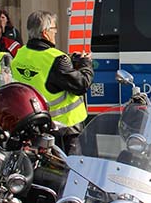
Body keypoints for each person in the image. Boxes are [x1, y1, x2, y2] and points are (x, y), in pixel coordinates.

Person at [11, 11, 92, 154]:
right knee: (71, 173)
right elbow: (81, 85)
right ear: (45, 33)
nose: (55, 33)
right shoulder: (57, 59)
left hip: (34, 126)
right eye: (54, 29)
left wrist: (70, 60)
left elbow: (43, 70)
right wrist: (86, 64)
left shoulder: (21, 53)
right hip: (65, 129)